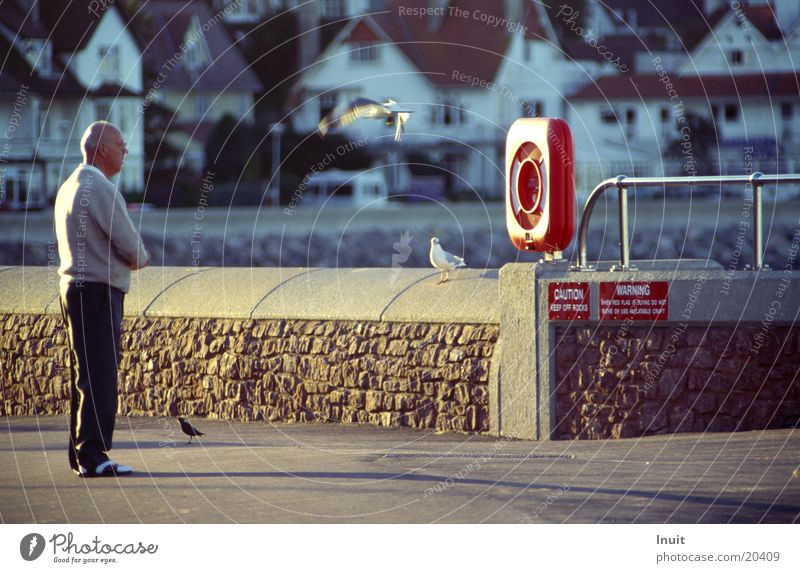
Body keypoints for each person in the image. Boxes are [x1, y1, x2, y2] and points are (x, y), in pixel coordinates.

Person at [54, 121, 151, 477]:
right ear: (101, 149)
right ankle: (94, 457)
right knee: (101, 375)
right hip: (97, 290)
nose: (125, 151)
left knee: (85, 374)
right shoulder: (100, 187)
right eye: (120, 145)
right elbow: (132, 246)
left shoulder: (69, 186)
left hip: (73, 290)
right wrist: (141, 257)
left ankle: (81, 454)